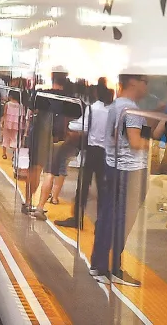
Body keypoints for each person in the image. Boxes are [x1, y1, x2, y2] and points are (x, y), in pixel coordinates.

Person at [90, 73, 150, 287]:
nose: (147, 87)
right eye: (145, 82)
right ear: (133, 82)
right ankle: (110, 267)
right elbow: (135, 142)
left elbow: (120, 136)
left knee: (108, 216)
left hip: (115, 166)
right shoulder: (130, 109)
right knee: (121, 220)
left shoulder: (117, 105)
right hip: (129, 171)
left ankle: (101, 265)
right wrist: (154, 143)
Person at [57, 81, 113, 229]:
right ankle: (101, 223)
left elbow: (82, 126)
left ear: (96, 92)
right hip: (105, 153)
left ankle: (77, 219)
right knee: (102, 188)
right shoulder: (112, 111)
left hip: (92, 151)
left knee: (83, 186)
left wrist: (70, 125)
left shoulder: (93, 109)